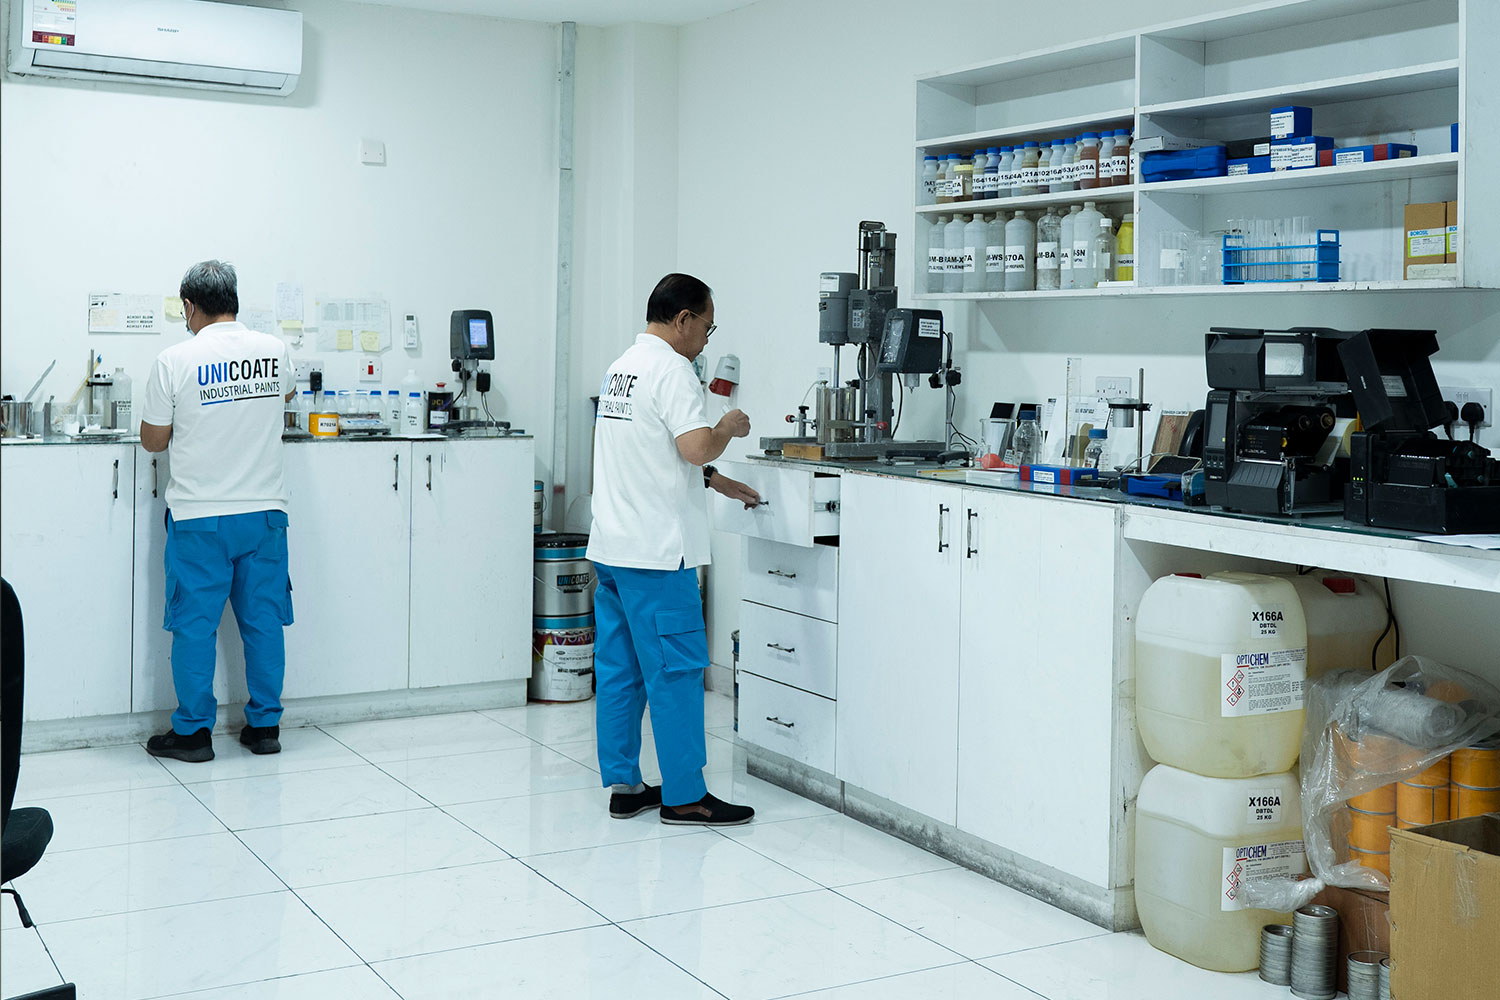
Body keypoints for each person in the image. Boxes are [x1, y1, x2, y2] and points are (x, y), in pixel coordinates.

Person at [588, 273, 762, 826]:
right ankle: (685, 795)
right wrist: (727, 426)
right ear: (683, 319)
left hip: (612, 548)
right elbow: (694, 446)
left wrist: (717, 482)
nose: (707, 338)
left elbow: (649, 453)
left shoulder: (622, 368)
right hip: (658, 556)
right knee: (677, 672)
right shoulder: (673, 370)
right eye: (707, 326)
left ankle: (625, 785)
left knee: (620, 670)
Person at [138, 260, 295, 762]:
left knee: (194, 627)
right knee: (264, 623)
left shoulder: (174, 360)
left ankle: (193, 734)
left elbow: (152, 441)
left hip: (200, 519)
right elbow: (287, 392)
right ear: (233, 299)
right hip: (265, 516)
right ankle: (264, 728)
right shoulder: (274, 350)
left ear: (190, 306)